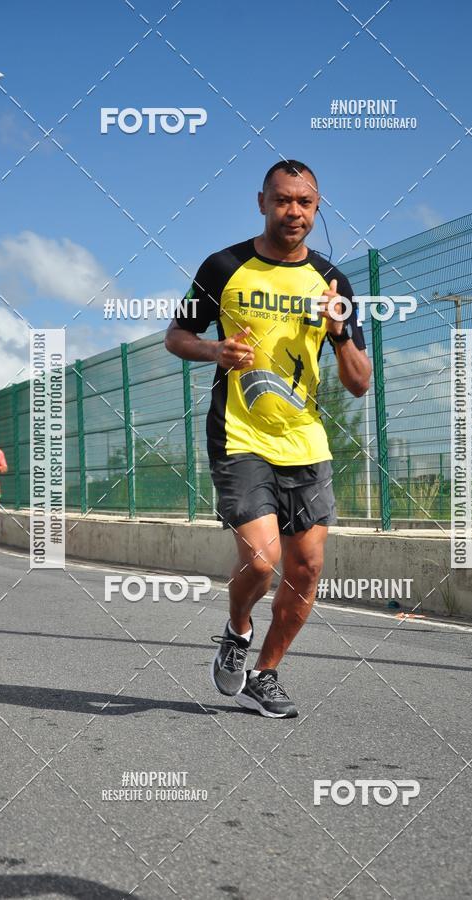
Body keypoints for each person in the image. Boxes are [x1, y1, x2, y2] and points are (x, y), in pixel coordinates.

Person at [165, 160, 372, 718]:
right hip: (239, 433)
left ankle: (267, 672)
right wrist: (215, 350)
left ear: (317, 206)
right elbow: (176, 335)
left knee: (305, 568)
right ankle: (236, 631)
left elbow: (358, 383)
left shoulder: (332, 283)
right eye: (283, 200)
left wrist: (338, 330)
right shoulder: (224, 266)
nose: (294, 212)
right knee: (261, 562)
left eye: (304, 202)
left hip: (305, 441)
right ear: (262, 202)